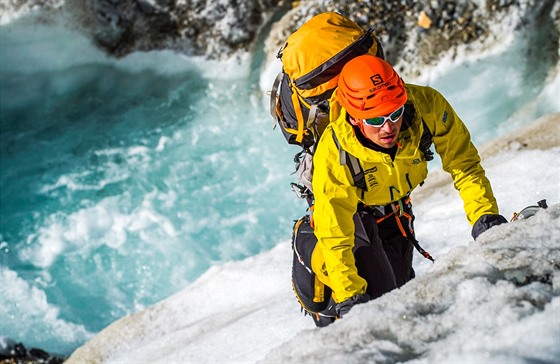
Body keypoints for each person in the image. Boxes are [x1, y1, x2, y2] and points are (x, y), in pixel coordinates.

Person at [310, 55, 507, 326]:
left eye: (395, 113)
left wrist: (485, 217)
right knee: (372, 304)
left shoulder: (426, 106)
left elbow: (464, 164)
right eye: (376, 119)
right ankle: (318, 278)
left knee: (401, 299)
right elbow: (335, 230)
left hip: (396, 210)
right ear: (355, 118)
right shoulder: (334, 153)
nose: (389, 127)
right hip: (355, 218)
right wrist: (349, 296)